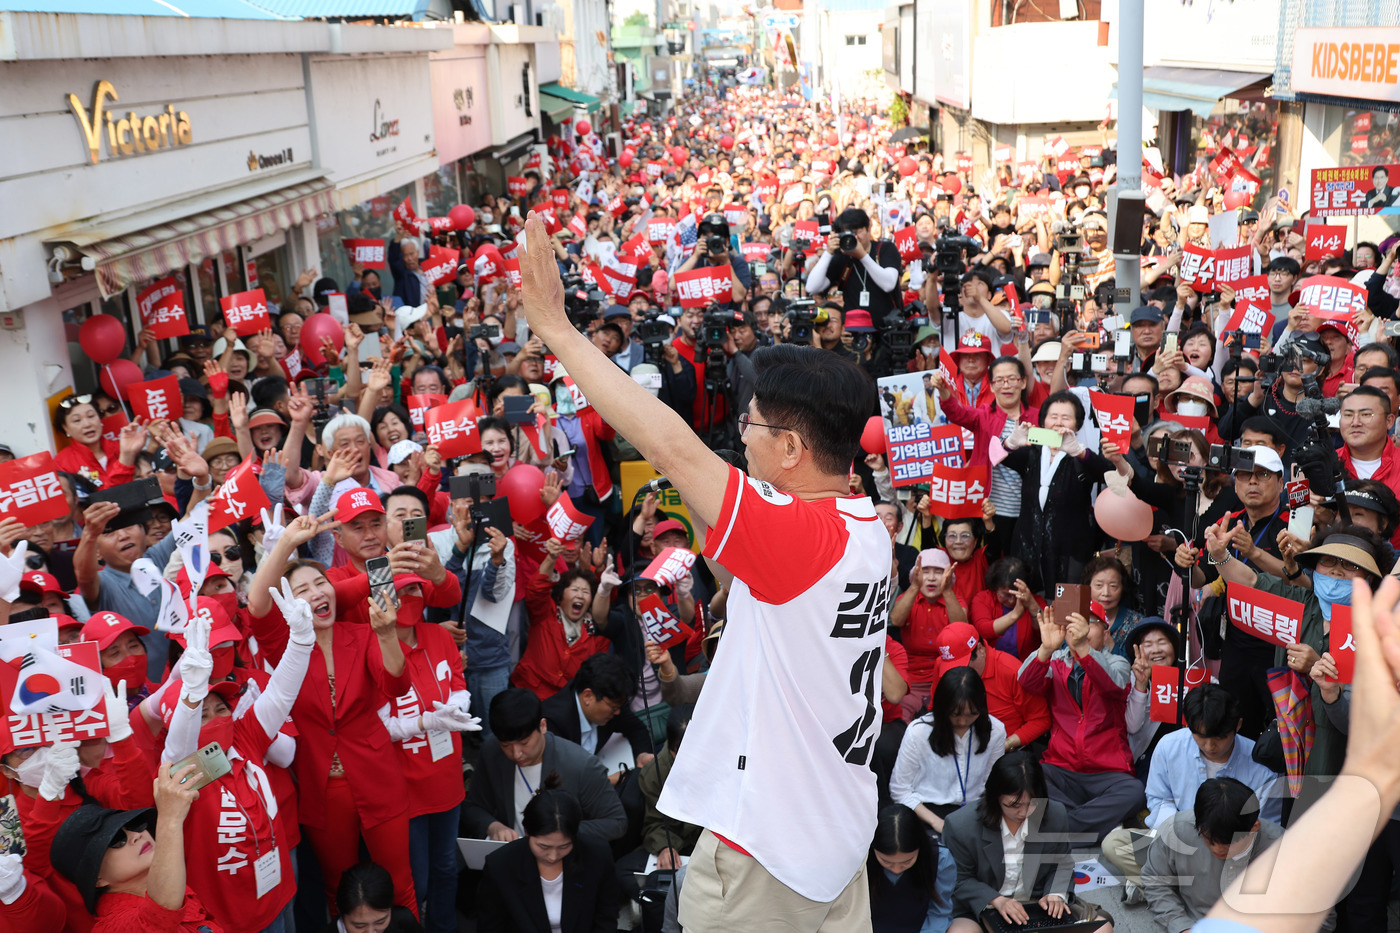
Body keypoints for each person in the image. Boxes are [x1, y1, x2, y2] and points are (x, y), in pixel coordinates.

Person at [519, 214, 886, 930]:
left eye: (748, 425)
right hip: (837, 836)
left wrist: (557, 330)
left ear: (788, 447)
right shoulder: (862, 522)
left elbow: (671, 445)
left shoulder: (797, 538)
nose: (737, 436)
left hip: (769, 855)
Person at [1103, 685, 1281, 903]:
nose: (1210, 745)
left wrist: (1221, 845)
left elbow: (1265, 829)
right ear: (1189, 726)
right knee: (1115, 844)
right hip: (1178, 844)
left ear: (1238, 725)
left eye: (1220, 737)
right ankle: (1178, 896)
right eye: (1200, 736)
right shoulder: (1169, 747)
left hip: (1227, 854)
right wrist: (1182, 834)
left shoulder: (1260, 766)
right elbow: (1158, 799)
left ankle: (1162, 893)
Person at [940, 752, 1111, 932]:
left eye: (1032, 804)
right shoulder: (961, 825)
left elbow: (1061, 862)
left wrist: (1055, 893)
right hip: (984, 907)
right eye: (1014, 805)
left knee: (1103, 928)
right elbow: (958, 879)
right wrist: (997, 900)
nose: (1023, 813)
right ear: (995, 797)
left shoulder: (1054, 814)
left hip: (1036, 903)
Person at [1017, 605, 1144, 842]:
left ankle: (1063, 828)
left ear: (1106, 634)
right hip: (1062, 767)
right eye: (1075, 622)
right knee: (1030, 776)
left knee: (1134, 792)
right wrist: (1045, 649)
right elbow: (1026, 681)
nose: (1080, 627)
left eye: (1090, 622)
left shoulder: (1119, 663)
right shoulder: (1055, 661)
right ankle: (1094, 825)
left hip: (1107, 771)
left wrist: (1083, 648)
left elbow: (1113, 686)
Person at [50, 764, 220, 932]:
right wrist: (170, 818)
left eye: (135, 825)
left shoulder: (174, 886)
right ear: (98, 879)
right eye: (117, 839)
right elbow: (160, 914)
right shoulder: (112, 927)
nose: (136, 835)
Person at [461, 688, 627, 844]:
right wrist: (493, 826)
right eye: (506, 745)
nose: (516, 753)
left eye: (524, 743)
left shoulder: (581, 765)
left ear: (542, 726)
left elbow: (616, 823)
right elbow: (473, 807)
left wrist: (560, 832)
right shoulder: (492, 751)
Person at [1141, 778, 1290, 933]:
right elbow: (1155, 881)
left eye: (1227, 843)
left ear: (1254, 828)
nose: (1217, 849)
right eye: (1208, 839)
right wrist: (1181, 926)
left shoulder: (1285, 849)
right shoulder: (1176, 831)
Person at [475, 782, 621, 933]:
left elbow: (606, 916)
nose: (553, 856)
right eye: (544, 847)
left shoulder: (596, 856)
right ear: (527, 832)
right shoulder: (501, 865)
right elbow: (491, 926)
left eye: (564, 846)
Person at [890, 667, 1006, 834]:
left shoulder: (996, 730)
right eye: (955, 714)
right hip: (926, 811)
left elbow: (991, 784)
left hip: (974, 811)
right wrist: (936, 822)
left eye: (971, 714)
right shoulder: (918, 732)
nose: (962, 721)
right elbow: (899, 790)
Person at [931, 623, 1050, 753]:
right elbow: (936, 707)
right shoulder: (942, 666)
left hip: (1003, 748)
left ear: (980, 649)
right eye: (952, 668)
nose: (958, 673)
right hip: (956, 744)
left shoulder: (1011, 671)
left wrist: (1007, 744)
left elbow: (1040, 719)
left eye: (963, 665)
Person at [542, 652, 654, 770]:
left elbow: (636, 728)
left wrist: (642, 754)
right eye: (613, 707)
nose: (617, 713)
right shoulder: (553, 723)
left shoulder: (612, 702)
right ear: (588, 696)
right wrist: (613, 779)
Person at [888, 548, 966, 707]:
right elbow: (896, 620)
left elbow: (962, 629)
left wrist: (947, 591)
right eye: (925, 572)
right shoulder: (908, 598)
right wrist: (915, 587)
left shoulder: (955, 600)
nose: (931, 578)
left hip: (946, 678)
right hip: (912, 679)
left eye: (938, 572)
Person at [806, 207, 904, 322]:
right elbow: (811, 288)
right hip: (854, 329)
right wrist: (828, 253)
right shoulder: (841, 257)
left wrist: (862, 255)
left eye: (858, 231)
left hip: (887, 327)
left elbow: (888, 284)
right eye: (849, 233)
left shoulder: (885, 249)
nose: (855, 237)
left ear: (868, 228)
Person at [866, 805, 943, 933]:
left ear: (920, 847)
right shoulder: (860, 860)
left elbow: (939, 911)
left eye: (907, 861)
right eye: (886, 862)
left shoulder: (940, 858)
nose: (896, 869)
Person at [324, 862, 425, 933]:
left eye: (380, 922)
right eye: (359, 926)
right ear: (339, 911)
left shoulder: (404, 922)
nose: (371, 932)